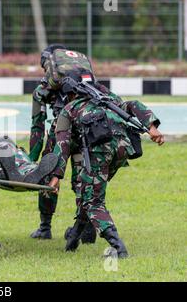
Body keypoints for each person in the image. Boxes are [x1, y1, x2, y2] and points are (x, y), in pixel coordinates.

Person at [48, 67, 164, 258]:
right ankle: (73, 241)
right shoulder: (109, 100)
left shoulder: (69, 110)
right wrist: (151, 127)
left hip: (99, 153)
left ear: (70, 91)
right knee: (88, 190)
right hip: (123, 149)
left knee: (92, 200)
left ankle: (119, 248)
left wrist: (55, 176)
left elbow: (62, 146)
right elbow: (133, 104)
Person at [29, 44, 96, 243]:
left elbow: (37, 127)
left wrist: (32, 158)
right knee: (83, 178)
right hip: (86, 130)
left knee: (49, 175)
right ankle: (86, 226)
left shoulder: (42, 89)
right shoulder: (86, 82)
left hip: (61, 131)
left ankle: (45, 227)